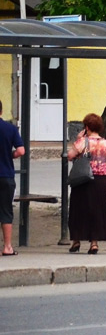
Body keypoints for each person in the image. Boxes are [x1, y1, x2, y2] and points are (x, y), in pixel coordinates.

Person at [66, 113, 106, 254]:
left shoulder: (83, 142)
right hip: (101, 181)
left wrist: (78, 139)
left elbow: (70, 156)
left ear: (86, 127)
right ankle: (94, 244)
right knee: (96, 211)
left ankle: (76, 241)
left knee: (78, 210)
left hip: (83, 180)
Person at [1, 99, 27, 257]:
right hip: (5, 175)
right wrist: (10, 155)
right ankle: (7, 247)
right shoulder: (10, 129)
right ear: (1, 111)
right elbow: (21, 151)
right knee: (5, 211)